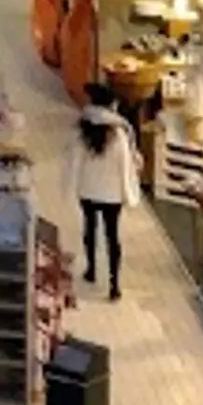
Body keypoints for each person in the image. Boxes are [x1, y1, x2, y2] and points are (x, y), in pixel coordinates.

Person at [72, 99, 141, 298]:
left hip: (88, 191)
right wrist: (129, 194)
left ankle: (92, 270)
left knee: (89, 229)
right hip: (112, 195)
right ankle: (114, 285)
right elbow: (125, 167)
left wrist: (71, 187)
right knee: (112, 237)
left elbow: (74, 163)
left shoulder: (83, 134)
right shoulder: (118, 136)